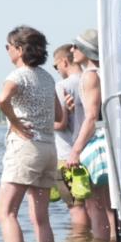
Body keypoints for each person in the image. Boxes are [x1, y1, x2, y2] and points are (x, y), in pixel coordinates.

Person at [0, 26, 63, 242]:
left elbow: (2, 99)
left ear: (20, 49)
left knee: (6, 212)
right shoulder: (47, 78)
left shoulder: (17, 75)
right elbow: (60, 116)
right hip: (48, 150)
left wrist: (15, 123)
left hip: (26, 148)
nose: (6, 50)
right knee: (41, 218)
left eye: (8, 46)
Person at [66, 29, 112, 241]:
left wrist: (75, 150)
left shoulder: (90, 76)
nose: (72, 50)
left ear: (87, 49)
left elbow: (92, 116)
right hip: (112, 137)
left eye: (76, 46)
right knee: (112, 204)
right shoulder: (108, 73)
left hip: (100, 141)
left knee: (96, 205)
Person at [48, 44, 88, 229]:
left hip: (67, 154)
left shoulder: (62, 86)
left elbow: (61, 123)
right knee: (97, 206)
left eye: (56, 67)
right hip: (91, 151)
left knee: (75, 206)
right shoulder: (92, 79)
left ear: (64, 61)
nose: (57, 71)